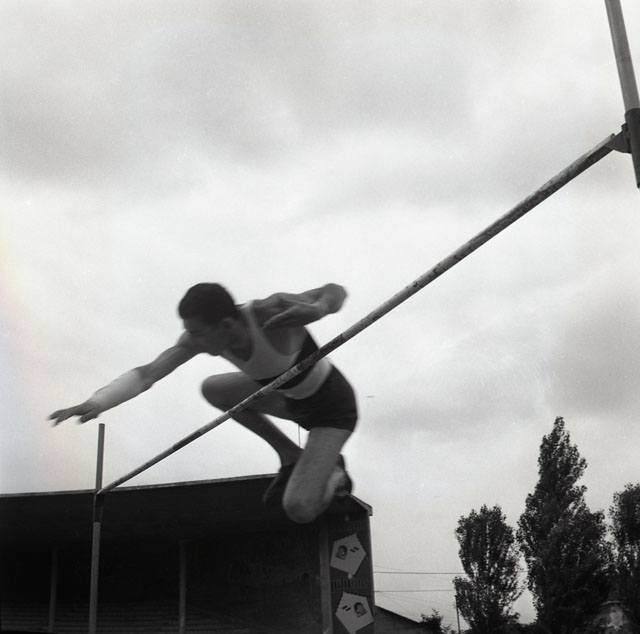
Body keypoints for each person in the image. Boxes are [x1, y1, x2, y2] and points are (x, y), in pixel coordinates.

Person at [49, 282, 358, 524]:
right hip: (289, 399)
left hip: (331, 410)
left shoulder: (269, 313)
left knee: (299, 508)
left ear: (226, 325)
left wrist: (319, 308)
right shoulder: (197, 339)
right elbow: (149, 373)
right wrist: (98, 401)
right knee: (213, 389)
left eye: (197, 333)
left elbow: (335, 291)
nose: (191, 341)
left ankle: (335, 474)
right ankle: (289, 454)